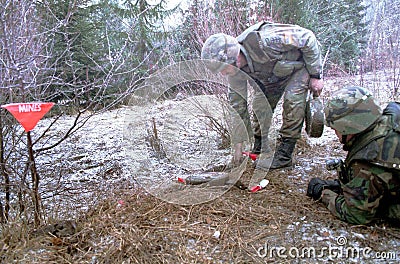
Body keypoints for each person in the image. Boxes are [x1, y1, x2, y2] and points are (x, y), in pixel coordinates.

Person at [201, 21, 324, 170]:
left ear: (235, 58)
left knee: (292, 102)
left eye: (223, 68)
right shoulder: (234, 73)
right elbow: (237, 107)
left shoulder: (267, 39)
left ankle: (285, 154)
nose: (222, 74)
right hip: (273, 77)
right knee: (260, 107)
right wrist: (238, 143)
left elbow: (308, 38)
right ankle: (259, 146)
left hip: (298, 67)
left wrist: (315, 75)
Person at [307, 86, 400, 225]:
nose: (335, 133)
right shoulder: (393, 115)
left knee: (386, 208)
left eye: (336, 129)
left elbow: (356, 215)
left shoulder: (369, 159)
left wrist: (323, 192)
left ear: (349, 126)